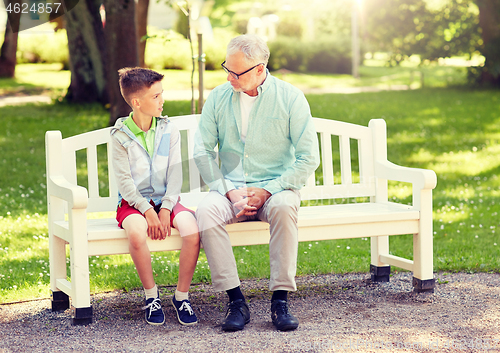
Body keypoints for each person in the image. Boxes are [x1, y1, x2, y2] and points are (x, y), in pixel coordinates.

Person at [193, 35, 320, 332]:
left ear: (260, 69)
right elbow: (201, 151)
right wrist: (228, 189)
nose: (229, 77)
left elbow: (308, 157)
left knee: (286, 207)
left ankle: (280, 300)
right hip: (231, 188)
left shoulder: (290, 97)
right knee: (206, 211)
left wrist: (268, 190)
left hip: (275, 188)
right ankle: (236, 301)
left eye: (237, 73)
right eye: (228, 69)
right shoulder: (218, 97)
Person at [110, 67, 200, 326]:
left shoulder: (169, 130)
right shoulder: (120, 137)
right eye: (156, 97)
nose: (163, 101)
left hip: (166, 200)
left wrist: (165, 208)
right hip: (133, 204)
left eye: (162, 94)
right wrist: (148, 211)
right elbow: (125, 183)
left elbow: (175, 174)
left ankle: (181, 296)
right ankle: (151, 297)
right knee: (137, 234)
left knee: (192, 231)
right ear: (137, 102)